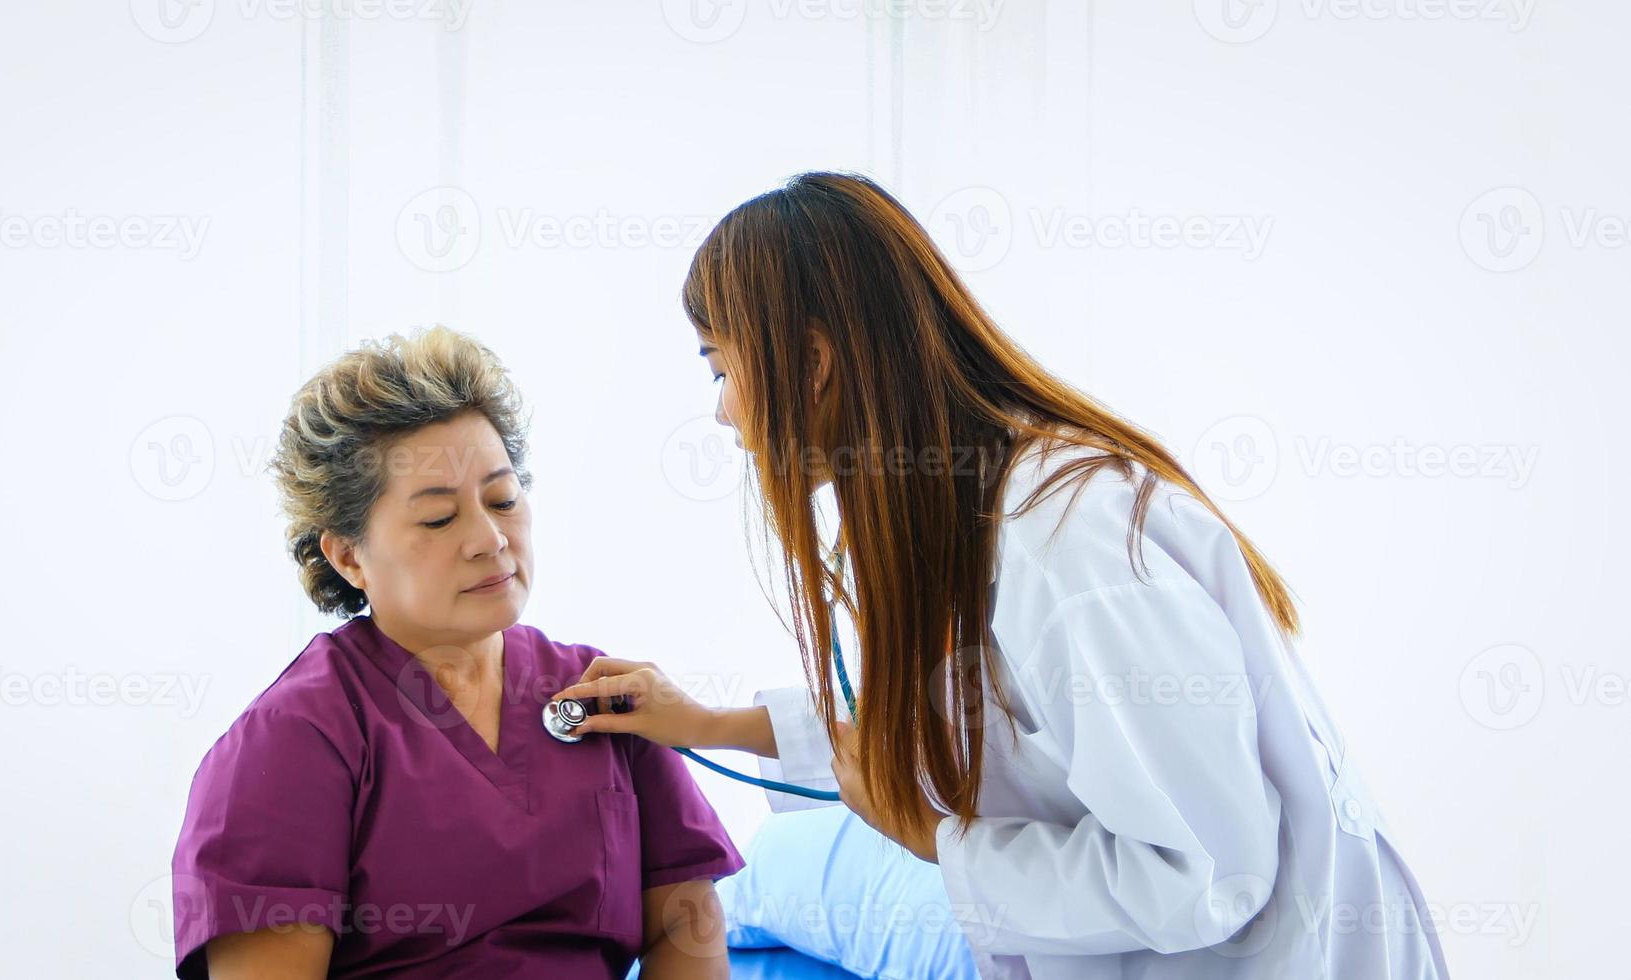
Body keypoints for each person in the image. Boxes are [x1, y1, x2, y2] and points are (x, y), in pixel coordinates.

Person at [553, 172, 1449, 979]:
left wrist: (937, 842)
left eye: (721, 366)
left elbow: (1209, 875)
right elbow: (964, 729)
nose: (719, 411)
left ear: (814, 362)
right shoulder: (954, 519)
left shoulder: (1066, 544)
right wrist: (712, 723)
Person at [171, 327, 743, 979]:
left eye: (503, 499)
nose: (490, 539)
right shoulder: (296, 737)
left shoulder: (602, 693)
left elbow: (683, 927)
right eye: (439, 519)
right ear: (349, 555)